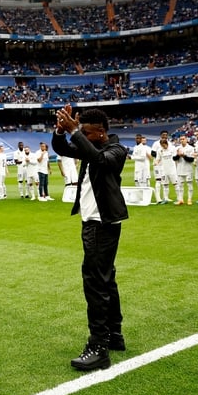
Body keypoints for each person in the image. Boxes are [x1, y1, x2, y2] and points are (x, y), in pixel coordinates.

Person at [52, 107, 128, 372]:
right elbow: (62, 148)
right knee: (107, 279)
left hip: (101, 225)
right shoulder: (92, 145)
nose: (80, 136)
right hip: (95, 223)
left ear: (100, 132)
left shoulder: (116, 151)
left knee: (95, 283)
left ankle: (98, 347)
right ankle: (115, 336)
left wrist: (75, 130)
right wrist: (61, 131)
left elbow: (100, 160)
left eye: (85, 132)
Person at [157, 139, 180, 204]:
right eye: (161, 145)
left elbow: (175, 158)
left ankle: (179, 198)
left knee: (175, 184)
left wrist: (176, 168)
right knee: (165, 185)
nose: (163, 147)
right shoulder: (160, 150)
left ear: (166, 144)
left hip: (172, 170)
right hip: (164, 170)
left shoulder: (172, 149)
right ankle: (166, 198)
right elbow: (158, 158)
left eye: (163, 145)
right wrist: (156, 162)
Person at [174, 136, 195, 205]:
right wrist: (178, 155)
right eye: (181, 139)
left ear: (186, 140)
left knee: (189, 184)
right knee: (180, 185)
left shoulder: (191, 148)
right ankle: (180, 199)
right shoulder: (177, 148)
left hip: (188, 169)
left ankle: (189, 199)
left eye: (183, 139)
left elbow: (191, 159)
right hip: (179, 169)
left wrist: (183, 156)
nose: (182, 140)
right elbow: (174, 158)